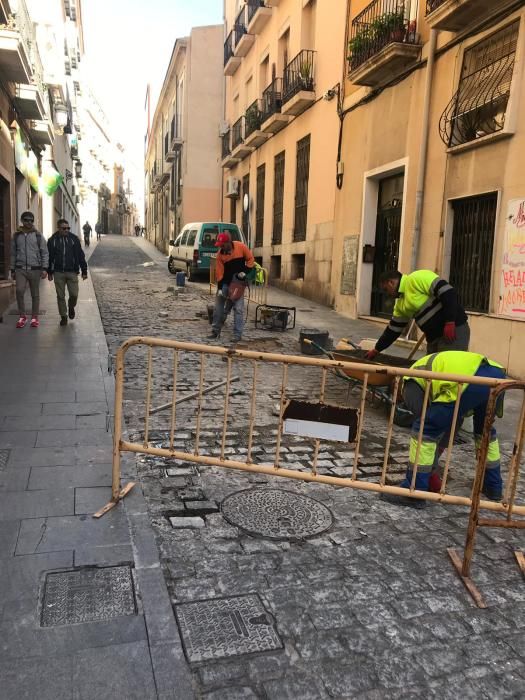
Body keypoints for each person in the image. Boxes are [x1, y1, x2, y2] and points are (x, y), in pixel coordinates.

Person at [382, 351, 506, 509]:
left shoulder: (409, 381)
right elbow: (451, 423)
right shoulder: (428, 369)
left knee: (424, 429)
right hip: (496, 375)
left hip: (469, 378)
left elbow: (431, 427)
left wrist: (430, 468)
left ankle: (414, 491)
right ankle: (493, 487)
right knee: (485, 432)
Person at [365, 270, 470, 361]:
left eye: (386, 289)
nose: (387, 294)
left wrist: (450, 321)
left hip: (454, 331)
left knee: (447, 372)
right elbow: (393, 330)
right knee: (432, 374)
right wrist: (377, 349)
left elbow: (448, 293)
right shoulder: (400, 304)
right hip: (433, 339)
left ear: (391, 282)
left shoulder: (417, 278)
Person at [208, 232, 255, 343]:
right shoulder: (220, 255)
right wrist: (220, 288)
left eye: (222, 244)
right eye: (219, 245)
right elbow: (219, 273)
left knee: (238, 309)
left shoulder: (241, 247)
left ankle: (237, 335)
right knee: (218, 308)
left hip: (238, 284)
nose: (221, 247)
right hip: (225, 284)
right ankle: (215, 332)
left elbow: (250, 259)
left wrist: (245, 272)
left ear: (228, 242)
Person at [10, 211, 48, 329]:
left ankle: (34, 317)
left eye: (31, 220)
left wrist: (44, 268)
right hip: (20, 269)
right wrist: (12, 269)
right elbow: (13, 253)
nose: (29, 222)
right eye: (26, 220)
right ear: (22, 221)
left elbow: (44, 252)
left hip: (35, 269)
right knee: (19, 291)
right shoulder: (16, 236)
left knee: (35, 294)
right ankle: (22, 316)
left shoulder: (38, 235)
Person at [47, 218, 88, 326]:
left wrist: (84, 270)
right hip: (58, 272)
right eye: (64, 228)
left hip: (72, 271)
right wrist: (49, 272)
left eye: (68, 228)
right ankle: (63, 316)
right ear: (58, 228)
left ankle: (71, 307)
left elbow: (80, 255)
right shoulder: (52, 240)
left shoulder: (74, 239)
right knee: (60, 296)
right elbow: (50, 257)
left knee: (74, 294)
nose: (66, 230)